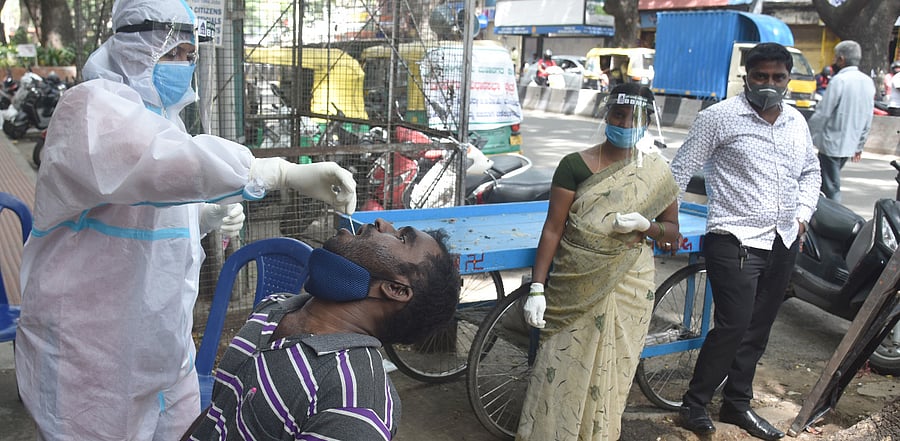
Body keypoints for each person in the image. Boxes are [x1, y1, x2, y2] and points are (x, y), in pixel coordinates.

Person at [15, 1, 357, 440]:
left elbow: (141, 226)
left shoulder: (164, 122)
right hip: (90, 358)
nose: (182, 65)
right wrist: (275, 172)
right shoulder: (89, 109)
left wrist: (204, 215)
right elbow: (160, 163)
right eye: (169, 53)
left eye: (188, 55)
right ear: (129, 46)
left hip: (162, 350)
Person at [181, 219, 460, 440]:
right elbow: (219, 411)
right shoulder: (276, 306)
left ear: (397, 289)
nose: (381, 222)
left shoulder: (356, 401)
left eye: (401, 237)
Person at [669, 42, 821, 441]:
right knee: (733, 326)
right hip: (733, 238)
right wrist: (666, 223)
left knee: (759, 329)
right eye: (760, 76)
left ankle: (737, 404)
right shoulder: (718, 118)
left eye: (777, 77)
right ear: (746, 77)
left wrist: (803, 215)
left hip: (783, 239)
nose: (769, 85)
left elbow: (811, 172)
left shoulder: (796, 122)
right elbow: (679, 171)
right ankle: (694, 405)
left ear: (789, 79)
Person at [517, 83, 682, 440]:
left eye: (634, 117)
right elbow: (553, 229)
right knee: (559, 366)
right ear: (606, 115)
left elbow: (671, 234)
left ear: (647, 121)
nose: (624, 123)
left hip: (630, 284)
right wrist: (537, 288)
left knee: (615, 371)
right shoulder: (574, 166)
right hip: (574, 280)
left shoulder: (656, 172)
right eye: (618, 114)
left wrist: (647, 225)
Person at [807, 40, 875, 202]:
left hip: (831, 144)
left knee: (831, 188)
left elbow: (823, 113)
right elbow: (868, 117)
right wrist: (860, 144)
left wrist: (806, 135)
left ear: (841, 59)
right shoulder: (867, 81)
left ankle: (835, 220)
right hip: (850, 144)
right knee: (825, 184)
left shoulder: (840, 80)